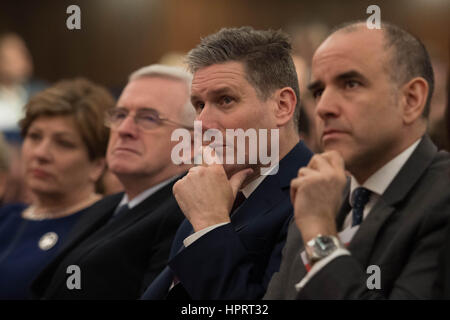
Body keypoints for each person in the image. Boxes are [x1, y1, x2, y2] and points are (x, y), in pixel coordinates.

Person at [264, 21, 450, 300]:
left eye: (350, 84)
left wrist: (320, 236)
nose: (323, 108)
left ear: (411, 99)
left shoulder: (441, 198)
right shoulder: (322, 193)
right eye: (317, 92)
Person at [142, 27, 313, 300]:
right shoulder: (207, 187)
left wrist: (211, 223)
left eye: (225, 100)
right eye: (199, 105)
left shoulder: (317, 194)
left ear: (282, 106)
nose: (202, 124)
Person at [31, 65, 196, 299]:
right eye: (119, 115)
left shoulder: (185, 214)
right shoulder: (107, 206)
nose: (124, 129)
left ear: (189, 144)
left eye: (149, 118)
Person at [0, 78, 114, 299]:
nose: (41, 153)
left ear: (97, 165)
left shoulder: (108, 226)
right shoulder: (6, 218)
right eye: (34, 137)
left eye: (63, 143)